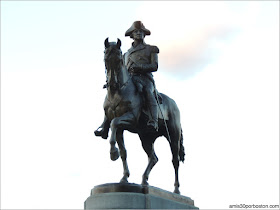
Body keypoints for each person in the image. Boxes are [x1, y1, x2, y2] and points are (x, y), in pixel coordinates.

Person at [123, 21, 160, 131]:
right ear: (132, 35)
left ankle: (154, 120)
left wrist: (140, 67)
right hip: (130, 79)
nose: (138, 33)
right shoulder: (125, 54)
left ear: (144, 34)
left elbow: (155, 66)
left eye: (140, 31)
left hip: (145, 79)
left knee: (147, 91)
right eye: (136, 31)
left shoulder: (151, 49)